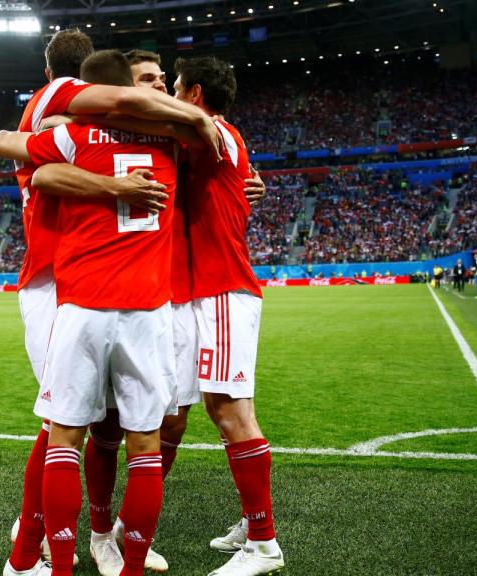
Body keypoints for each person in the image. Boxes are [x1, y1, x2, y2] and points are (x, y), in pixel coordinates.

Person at [0, 28, 224, 576]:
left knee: (72, 432)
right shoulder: (152, 130)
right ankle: (31, 549)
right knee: (81, 432)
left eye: (164, 84)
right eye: (149, 82)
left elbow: (9, 144)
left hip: (93, 293)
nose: (157, 90)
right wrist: (188, 118)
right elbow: (24, 144)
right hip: (74, 287)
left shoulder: (74, 130)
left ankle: (74, 544)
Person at [173, 56, 285, 575]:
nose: (169, 95)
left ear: (194, 93)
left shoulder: (206, 130)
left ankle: (263, 543)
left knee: (231, 412)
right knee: (226, 410)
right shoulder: (223, 134)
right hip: (220, 288)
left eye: (174, 86)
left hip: (221, 288)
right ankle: (251, 520)